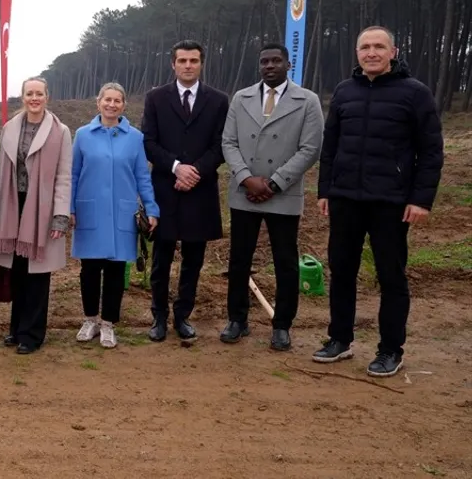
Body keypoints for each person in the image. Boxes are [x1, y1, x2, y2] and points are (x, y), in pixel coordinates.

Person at [314, 26, 444, 377]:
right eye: (365, 47)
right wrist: (325, 190)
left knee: (390, 276)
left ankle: (390, 349)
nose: (371, 53)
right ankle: (339, 339)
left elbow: (431, 151)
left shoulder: (415, 94)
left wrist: (421, 199)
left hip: (391, 202)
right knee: (341, 271)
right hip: (345, 199)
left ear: (393, 51)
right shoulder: (344, 92)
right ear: (357, 53)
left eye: (378, 47)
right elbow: (331, 146)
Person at [220, 44, 323, 351]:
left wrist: (274, 184)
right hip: (245, 194)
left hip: (283, 194)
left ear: (287, 64)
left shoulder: (307, 101)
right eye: (264, 61)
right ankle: (237, 320)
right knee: (239, 260)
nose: (269, 66)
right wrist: (246, 179)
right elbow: (229, 142)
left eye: (276, 60)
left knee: (286, 263)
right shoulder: (241, 98)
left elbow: (311, 148)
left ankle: (282, 325)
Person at [141, 39, 228, 342]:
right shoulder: (155, 99)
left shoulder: (218, 100)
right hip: (165, 188)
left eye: (193, 60)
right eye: (182, 61)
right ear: (173, 64)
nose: (188, 66)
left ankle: (182, 316)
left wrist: (196, 172)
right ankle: (159, 318)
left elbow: (221, 145)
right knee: (161, 259)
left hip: (200, 190)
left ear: (201, 63)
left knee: (193, 260)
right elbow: (149, 143)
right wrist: (176, 167)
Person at [70, 83, 159, 349]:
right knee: (89, 270)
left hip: (122, 212)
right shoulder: (83, 135)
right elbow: (73, 173)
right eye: (106, 99)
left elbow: (142, 175)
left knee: (115, 270)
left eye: (117, 100)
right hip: (90, 211)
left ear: (123, 105)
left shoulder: (134, 137)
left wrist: (152, 208)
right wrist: (70, 208)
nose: (111, 104)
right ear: (98, 102)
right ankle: (90, 320)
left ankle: (108, 323)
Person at [0, 77, 72, 354]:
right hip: (14, 205)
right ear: (22, 97)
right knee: (17, 271)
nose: (34, 98)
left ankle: (32, 334)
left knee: (38, 273)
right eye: (29, 93)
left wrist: (61, 215)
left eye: (39, 93)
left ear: (47, 96)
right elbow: (2, 173)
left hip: (43, 208)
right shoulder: (9, 128)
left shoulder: (61, 132)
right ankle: (16, 329)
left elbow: (63, 176)